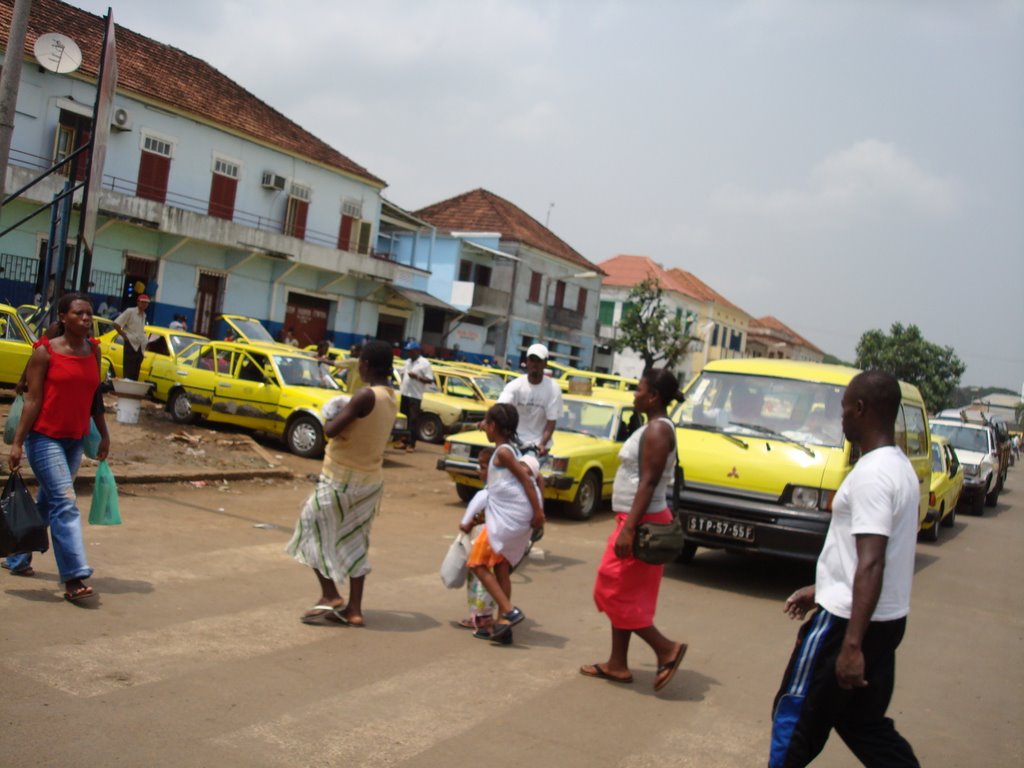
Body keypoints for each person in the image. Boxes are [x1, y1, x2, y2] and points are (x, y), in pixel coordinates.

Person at [768, 370, 921, 768]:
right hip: (885, 620)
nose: (841, 417)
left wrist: (851, 645)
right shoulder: (900, 468)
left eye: (843, 408)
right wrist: (822, 588)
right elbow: (867, 558)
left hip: (848, 625)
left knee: (794, 718)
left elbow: (871, 561)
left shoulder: (870, 475)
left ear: (861, 409)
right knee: (862, 723)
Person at [581, 368, 687, 691]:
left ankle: (665, 648)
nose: (634, 394)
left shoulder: (657, 430)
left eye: (639, 390)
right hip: (638, 520)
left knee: (608, 588)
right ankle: (617, 664)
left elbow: (649, 482)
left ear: (653, 396)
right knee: (624, 592)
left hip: (641, 524)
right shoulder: (652, 426)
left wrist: (628, 530)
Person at [3, 292, 110, 603]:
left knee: (49, 504)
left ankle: (18, 557)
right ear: (63, 318)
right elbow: (32, 399)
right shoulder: (45, 353)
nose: (86, 319)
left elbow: (94, 397)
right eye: (79, 314)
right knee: (65, 502)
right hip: (44, 438)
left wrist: (103, 434)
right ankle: (74, 576)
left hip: (74, 439)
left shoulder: (93, 351)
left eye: (89, 313)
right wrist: (18, 442)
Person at [286, 340, 399, 627]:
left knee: (309, 529)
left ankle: (330, 595)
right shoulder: (390, 396)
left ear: (365, 365)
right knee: (355, 541)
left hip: (341, 479)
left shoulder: (364, 395)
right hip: (370, 481)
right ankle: (355, 610)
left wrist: (332, 413)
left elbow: (331, 431)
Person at [468, 403, 545, 644]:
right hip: (512, 517)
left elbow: (526, 481)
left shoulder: (502, 453)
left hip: (508, 519)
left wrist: (538, 512)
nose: (485, 428)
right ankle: (503, 626)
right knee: (501, 568)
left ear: (494, 426)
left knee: (477, 564)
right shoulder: (510, 447)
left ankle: (508, 610)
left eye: (487, 424)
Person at [456, 447, 497, 632]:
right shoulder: (501, 493)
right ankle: (485, 616)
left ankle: (480, 619)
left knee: (478, 581)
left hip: (480, 543)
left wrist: (467, 525)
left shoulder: (484, 494)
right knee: (491, 579)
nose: (478, 471)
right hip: (497, 542)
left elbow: (465, 522)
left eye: (482, 467)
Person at [497, 343, 563, 456]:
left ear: (545, 363)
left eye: (538, 361)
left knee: (526, 471)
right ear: (527, 361)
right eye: (532, 360)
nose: (534, 364)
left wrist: (542, 444)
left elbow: (551, 421)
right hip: (514, 444)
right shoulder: (515, 385)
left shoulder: (553, 388)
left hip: (538, 447)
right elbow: (500, 409)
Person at [398, 340, 434, 452]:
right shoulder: (408, 361)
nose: (409, 353)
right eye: (408, 351)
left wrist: (417, 377)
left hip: (415, 396)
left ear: (417, 351)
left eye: (411, 351)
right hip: (405, 394)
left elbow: (430, 380)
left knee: (413, 421)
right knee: (404, 419)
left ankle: (411, 444)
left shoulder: (424, 363)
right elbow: (402, 372)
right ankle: (403, 441)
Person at [112, 293, 150, 380]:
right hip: (131, 342)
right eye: (142, 302)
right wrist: (123, 335)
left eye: (146, 303)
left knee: (136, 370)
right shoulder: (130, 311)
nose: (144, 304)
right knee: (129, 369)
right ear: (138, 302)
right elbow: (116, 323)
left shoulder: (144, 315)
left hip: (140, 345)